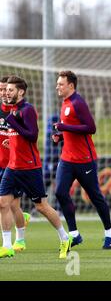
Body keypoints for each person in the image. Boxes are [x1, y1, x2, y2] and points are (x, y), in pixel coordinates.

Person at [0, 76, 71, 259]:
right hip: (12, 167)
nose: (7, 93)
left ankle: (64, 237)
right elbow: (19, 137)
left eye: (10, 90)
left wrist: (13, 122)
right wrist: (12, 143)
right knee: (3, 203)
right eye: (5, 90)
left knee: (41, 207)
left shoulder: (27, 110)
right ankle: (7, 246)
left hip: (30, 167)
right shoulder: (13, 110)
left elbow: (32, 136)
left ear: (20, 92)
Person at [52, 71, 111, 249]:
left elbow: (91, 128)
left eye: (61, 84)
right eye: (57, 83)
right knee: (60, 192)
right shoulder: (65, 102)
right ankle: (74, 234)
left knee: (95, 196)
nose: (57, 86)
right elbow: (72, 130)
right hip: (67, 158)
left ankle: (110, 233)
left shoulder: (77, 102)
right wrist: (61, 136)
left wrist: (64, 127)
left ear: (71, 86)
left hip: (84, 159)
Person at [0, 76, 30, 252]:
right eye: (1, 90)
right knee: (4, 205)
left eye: (6, 89)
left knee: (11, 205)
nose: (3, 92)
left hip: (13, 165)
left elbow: (30, 136)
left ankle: (19, 240)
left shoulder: (18, 111)